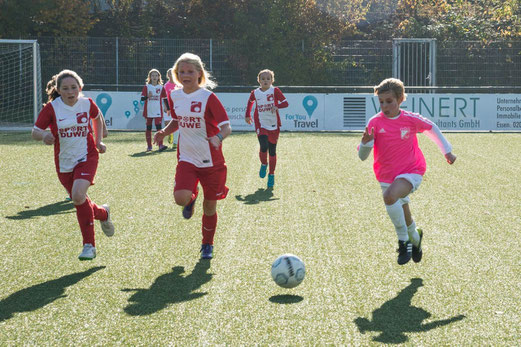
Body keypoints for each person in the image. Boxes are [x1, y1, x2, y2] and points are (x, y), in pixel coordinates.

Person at [358, 78, 456, 265]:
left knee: (389, 197)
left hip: (412, 171)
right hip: (386, 175)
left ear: (401, 99)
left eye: (389, 101)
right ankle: (415, 238)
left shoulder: (410, 119)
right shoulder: (374, 123)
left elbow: (431, 128)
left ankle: (403, 242)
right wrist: (364, 144)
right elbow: (363, 156)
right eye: (381, 102)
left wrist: (447, 150)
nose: (385, 106)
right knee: (401, 207)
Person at [154, 53, 231, 260]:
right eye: (181, 72)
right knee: (180, 198)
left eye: (190, 71)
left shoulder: (208, 98)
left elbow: (226, 127)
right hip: (187, 158)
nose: (185, 75)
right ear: (176, 74)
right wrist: (164, 132)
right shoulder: (175, 96)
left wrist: (218, 137)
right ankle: (190, 199)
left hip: (212, 162)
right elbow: (177, 121)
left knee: (210, 206)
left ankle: (207, 244)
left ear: (199, 74)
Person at [32, 69, 115, 260]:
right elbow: (35, 131)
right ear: (59, 90)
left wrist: (98, 141)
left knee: (78, 196)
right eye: (66, 88)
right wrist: (44, 135)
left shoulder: (87, 103)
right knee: (80, 200)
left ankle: (89, 246)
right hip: (64, 162)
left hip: (87, 156)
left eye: (74, 87)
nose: (70, 92)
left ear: (80, 87)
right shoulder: (52, 108)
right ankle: (103, 213)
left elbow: (97, 117)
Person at [244, 69, 288, 188]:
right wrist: (247, 115)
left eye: (268, 78)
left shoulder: (275, 91)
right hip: (261, 122)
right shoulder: (255, 92)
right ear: (259, 80)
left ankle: (271, 174)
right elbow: (250, 102)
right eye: (263, 79)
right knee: (264, 146)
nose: (265, 81)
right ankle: (264, 164)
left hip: (273, 123)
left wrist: (276, 106)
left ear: (272, 80)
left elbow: (285, 103)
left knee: (272, 151)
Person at [141, 68, 168, 152]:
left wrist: (168, 108)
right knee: (148, 128)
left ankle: (160, 145)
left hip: (158, 111)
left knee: (159, 128)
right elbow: (142, 99)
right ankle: (149, 146)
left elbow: (165, 98)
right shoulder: (147, 87)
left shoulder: (161, 87)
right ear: (150, 77)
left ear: (159, 77)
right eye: (152, 75)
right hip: (148, 111)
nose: (154, 77)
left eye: (156, 75)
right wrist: (147, 97)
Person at [163, 68, 179, 149]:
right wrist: (166, 107)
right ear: (167, 75)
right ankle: (170, 134)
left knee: (176, 123)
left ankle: (175, 143)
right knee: (167, 123)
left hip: (176, 107)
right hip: (168, 107)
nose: (171, 74)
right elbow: (164, 97)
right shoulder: (166, 85)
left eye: (172, 73)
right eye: (169, 73)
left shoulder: (178, 84)